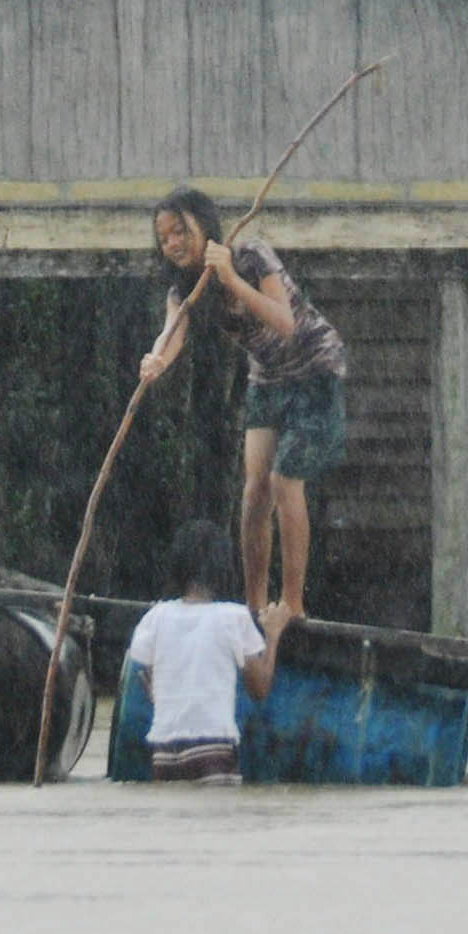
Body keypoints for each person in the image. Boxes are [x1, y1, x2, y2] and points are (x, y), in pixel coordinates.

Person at [134, 184, 346, 622]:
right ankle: (253, 604)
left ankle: (293, 602)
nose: (173, 243)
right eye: (164, 238)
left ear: (203, 224)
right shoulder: (185, 289)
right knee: (254, 492)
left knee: (285, 480)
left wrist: (230, 278)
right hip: (267, 377)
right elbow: (171, 335)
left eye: (180, 231)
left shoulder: (250, 256)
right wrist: (156, 361)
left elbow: (284, 322)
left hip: (315, 366)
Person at [122, 520, 287, 784]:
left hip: (163, 751)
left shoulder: (156, 616)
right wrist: (273, 634)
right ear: (224, 568)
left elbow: (145, 674)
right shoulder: (233, 617)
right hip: (212, 749)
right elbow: (260, 689)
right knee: (218, 813)